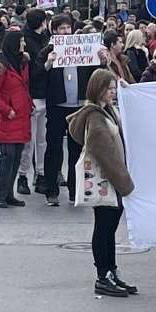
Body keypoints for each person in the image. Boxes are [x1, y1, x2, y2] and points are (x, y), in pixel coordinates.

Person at [67, 69, 136, 298]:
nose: (113, 92)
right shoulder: (96, 117)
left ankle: (111, 272)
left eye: (114, 88)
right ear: (99, 89)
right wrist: (125, 183)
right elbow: (106, 155)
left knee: (109, 229)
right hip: (108, 180)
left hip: (112, 180)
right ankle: (103, 276)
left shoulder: (107, 111)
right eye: (110, 88)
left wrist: (127, 89)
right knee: (104, 228)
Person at [43, 14, 102, 206]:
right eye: (61, 28)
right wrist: (48, 63)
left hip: (78, 107)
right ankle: (51, 191)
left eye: (67, 28)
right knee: (54, 149)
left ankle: (74, 191)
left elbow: (98, 74)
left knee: (77, 150)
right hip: (57, 107)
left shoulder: (84, 50)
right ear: (54, 31)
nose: (65, 32)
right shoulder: (49, 50)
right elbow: (36, 76)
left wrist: (103, 60)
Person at [0, 30, 33, 208]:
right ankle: (0, 195)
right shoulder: (0, 65)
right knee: (7, 158)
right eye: (21, 41)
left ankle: (8, 194)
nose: (23, 45)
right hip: (9, 117)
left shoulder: (21, 62)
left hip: (21, 116)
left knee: (16, 157)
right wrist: (6, 110)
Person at [19, 8, 49, 196]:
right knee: (28, 140)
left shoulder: (46, 39)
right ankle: (22, 175)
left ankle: (41, 174)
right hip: (32, 95)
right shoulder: (26, 42)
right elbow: (32, 69)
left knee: (42, 140)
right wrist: (46, 65)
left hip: (45, 94)